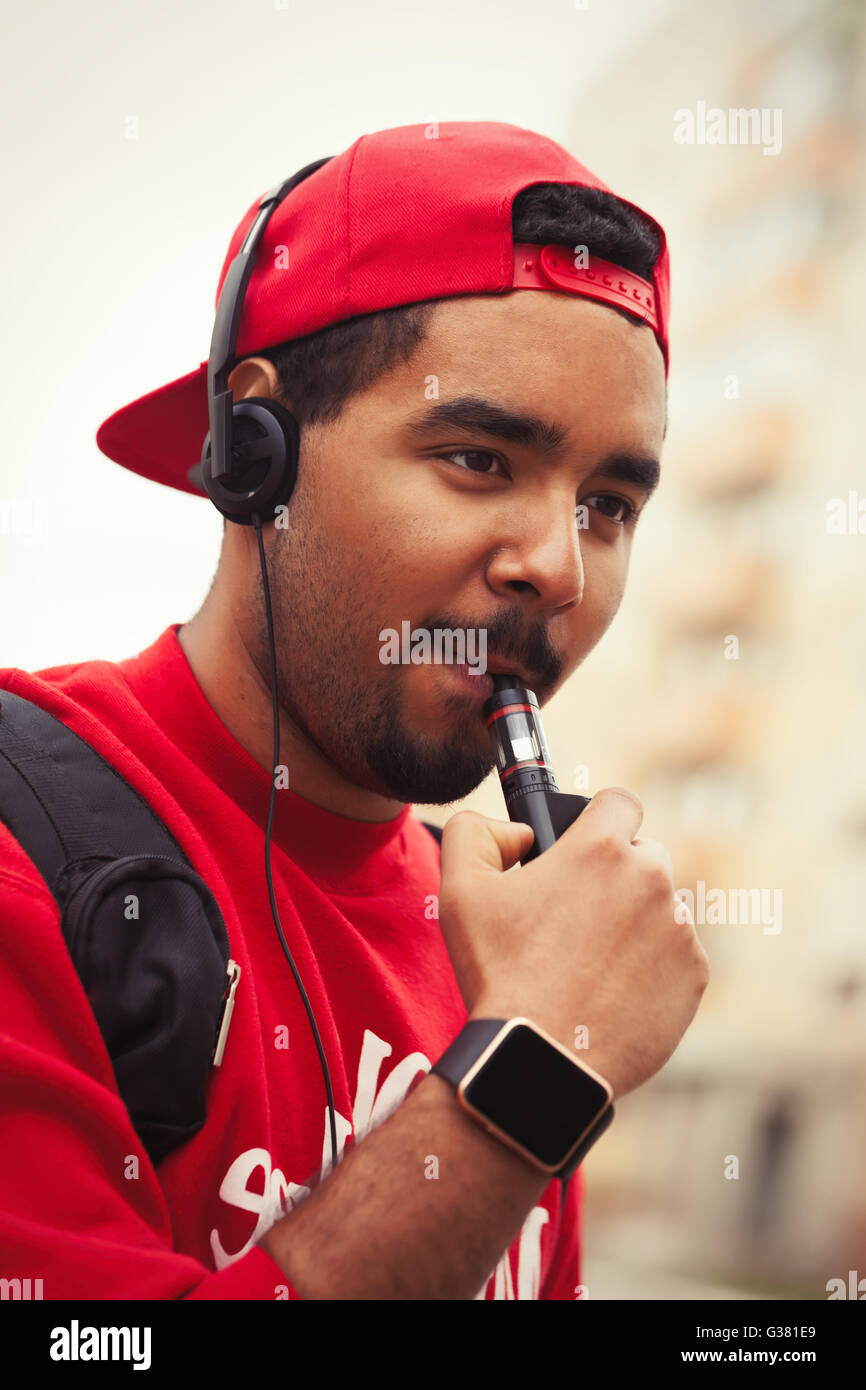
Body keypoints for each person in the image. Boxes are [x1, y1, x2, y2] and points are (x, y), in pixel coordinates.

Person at [0, 120, 708, 1300]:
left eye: (608, 504)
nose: (557, 567)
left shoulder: (512, 951)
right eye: (479, 457)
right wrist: (517, 1081)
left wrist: (533, 1030)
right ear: (254, 450)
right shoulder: (25, 853)